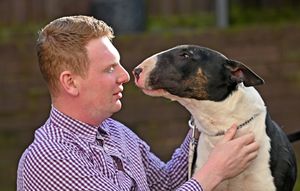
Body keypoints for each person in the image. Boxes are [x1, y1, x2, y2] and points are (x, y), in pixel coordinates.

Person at [17, 15, 259, 191]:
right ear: (70, 83)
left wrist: (203, 113)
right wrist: (213, 172)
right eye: (109, 68)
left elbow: (166, 184)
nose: (124, 75)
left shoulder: (116, 133)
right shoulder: (49, 157)